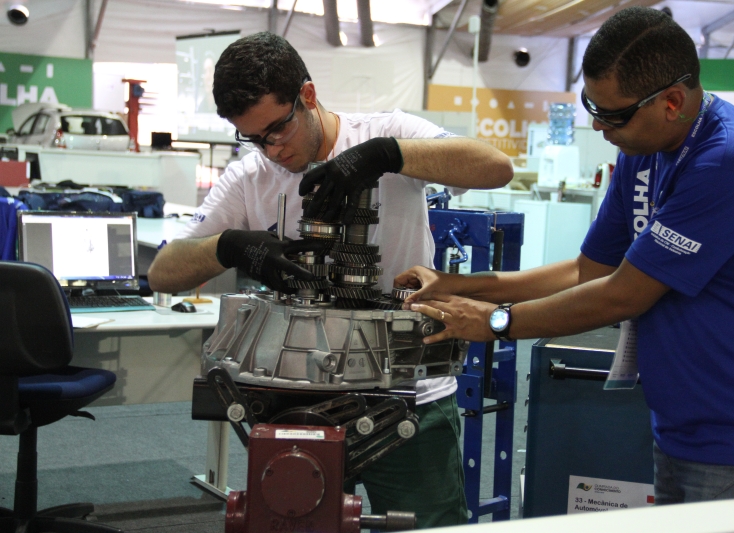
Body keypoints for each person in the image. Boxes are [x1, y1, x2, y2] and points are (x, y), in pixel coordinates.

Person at [396, 6, 734, 505]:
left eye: (612, 114)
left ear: (672, 101)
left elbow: (621, 295)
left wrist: (496, 322)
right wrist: (457, 284)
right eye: (591, 105)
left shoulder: (733, 162)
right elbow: (588, 270)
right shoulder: (643, 149)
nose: (597, 126)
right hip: (680, 422)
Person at [148, 32, 513, 527]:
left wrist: (387, 155)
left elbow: (496, 167)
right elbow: (163, 273)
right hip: (294, 407)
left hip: (405, 400)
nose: (271, 150)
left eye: (277, 130)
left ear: (308, 96)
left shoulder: (387, 131)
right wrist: (230, 246)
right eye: (253, 138)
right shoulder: (248, 179)